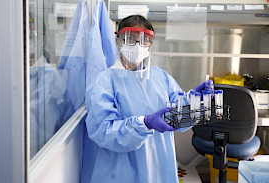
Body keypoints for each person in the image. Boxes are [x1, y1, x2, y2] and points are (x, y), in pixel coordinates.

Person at [82, 15, 213, 183]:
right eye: (131, 38)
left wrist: (194, 102)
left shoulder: (161, 77)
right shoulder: (105, 81)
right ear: (118, 41)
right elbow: (104, 131)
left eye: (144, 40)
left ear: (150, 45)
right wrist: (145, 123)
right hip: (121, 172)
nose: (138, 45)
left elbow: (178, 120)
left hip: (159, 167)